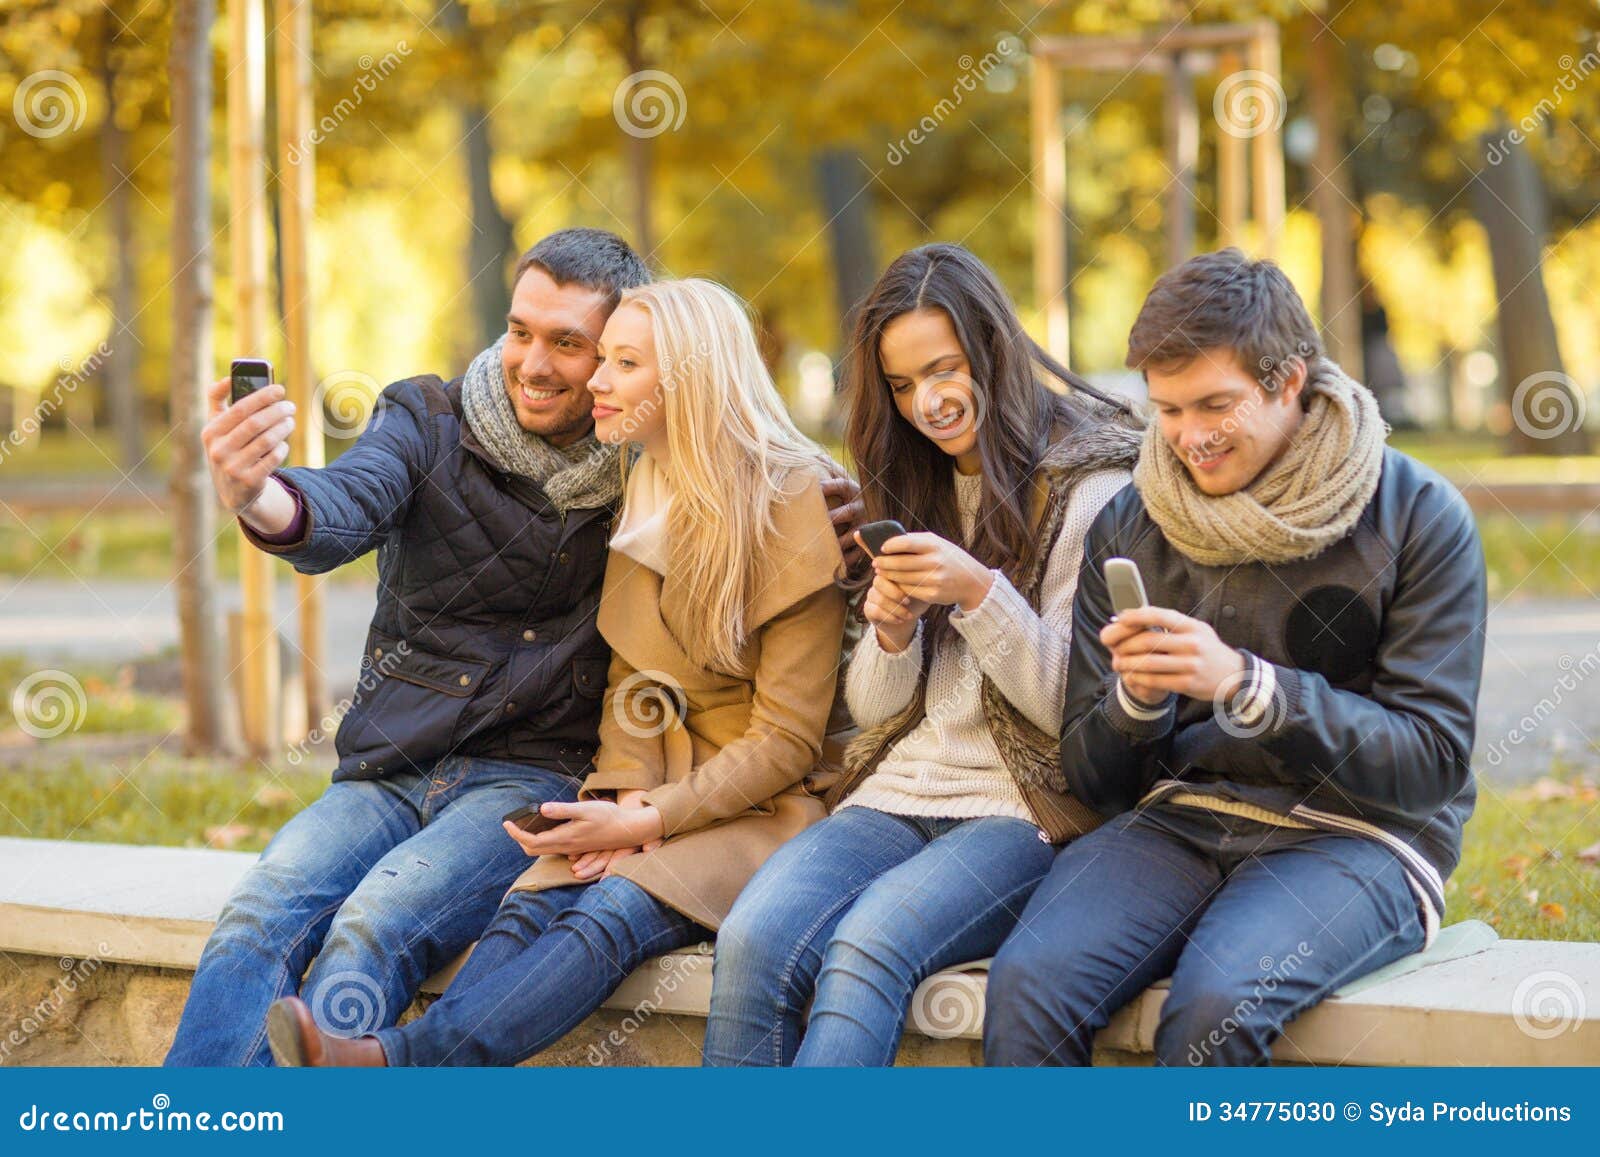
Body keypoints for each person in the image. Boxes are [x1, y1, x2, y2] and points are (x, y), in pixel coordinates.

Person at [168, 233, 860, 1066]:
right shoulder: (433, 420)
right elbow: (345, 503)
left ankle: (356, 1085)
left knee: (373, 924)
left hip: (534, 770)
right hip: (398, 758)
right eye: (521, 330)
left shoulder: (650, 476)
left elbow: (757, 564)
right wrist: (261, 494)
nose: (534, 363)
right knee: (260, 909)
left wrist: (838, 545)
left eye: (574, 345)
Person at [983, 248, 1486, 1066]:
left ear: (1289, 381)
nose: (1188, 438)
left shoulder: (1419, 516)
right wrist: (1135, 704)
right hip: (1181, 821)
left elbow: (1428, 763)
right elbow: (1096, 779)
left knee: (1215, 1008)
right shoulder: (1132, 524)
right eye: (1167, 410)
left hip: (1359, 834)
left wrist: (1250, 687)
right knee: (1030, 983)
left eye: (1214, 404)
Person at [701, 243, 1141, 1067]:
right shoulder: (922, 480)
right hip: (900, 789)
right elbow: (879, 709)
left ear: (993, 349)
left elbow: (1078, 711)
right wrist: (892, 631)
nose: (927, 403)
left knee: (867, 948)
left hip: (1027, 807)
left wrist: (980, 594)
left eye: (943, 370)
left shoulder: (1094, 487)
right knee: (756, 935)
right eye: (902, 386)